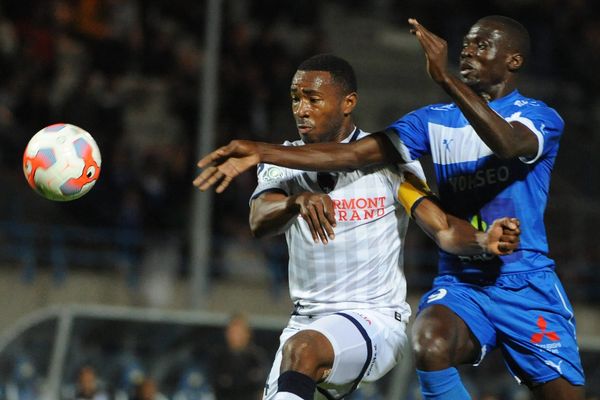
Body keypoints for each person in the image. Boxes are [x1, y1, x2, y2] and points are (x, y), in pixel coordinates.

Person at [193, 16, 585, 400]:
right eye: (296, 99)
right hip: (449, 287)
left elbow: (503, 148)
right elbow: (339, 166)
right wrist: (272, 166)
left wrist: (445, 78)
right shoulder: (422, 125)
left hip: (510, 284)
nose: (301, 109)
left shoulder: (538, 117)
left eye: (481, 45)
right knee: (426, 341)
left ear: (513, 60)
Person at [209, 313, 269, 400]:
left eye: (239, 332)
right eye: (233, 331)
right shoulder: (218, 357)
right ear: (227, 333)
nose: (236, 336)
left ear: (248, 333)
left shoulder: (257, 358)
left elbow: (264, 387)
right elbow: (212, 386)